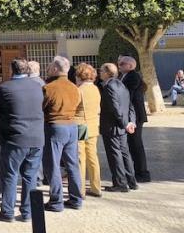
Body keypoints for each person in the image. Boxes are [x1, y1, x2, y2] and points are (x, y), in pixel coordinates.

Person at [0, 58, 45, 223]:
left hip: (14, 138)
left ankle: (8, 211)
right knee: (30, 176)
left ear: (11, 70)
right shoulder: (38, 86)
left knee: (10, 174)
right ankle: (28, 212)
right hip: (36, 137)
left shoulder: (5, 88)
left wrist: (1, 130)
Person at [42, 56, 84, 212]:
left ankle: (56, 201)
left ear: (55, 69)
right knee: (72, 164)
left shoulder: (49, 88)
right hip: (72, 127)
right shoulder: (75, 88)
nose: (47, 69)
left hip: (55, 126)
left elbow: (42, 107)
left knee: (52, 165)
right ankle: (76, 199)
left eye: (50, 67)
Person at [99, 63, 138, 192]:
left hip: (113, 126)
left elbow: (115, 108)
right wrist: (131, 122)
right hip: (121, 126)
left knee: (115, 155)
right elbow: (130, 105)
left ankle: (120, 184)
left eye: (101, 71)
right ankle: (131, 181)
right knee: (124, 154)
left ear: (107, 73)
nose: (99, 73)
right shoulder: (121, 85)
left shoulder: (109, 86)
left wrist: (126, 123)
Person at [118, 56, 151, 182]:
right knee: (133, 144)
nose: (119, 65)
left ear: (130, 66)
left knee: (136, 145)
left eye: (122, 63)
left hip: (135, 116)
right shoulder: (124, 76)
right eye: (119, 63)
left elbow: (127, 96)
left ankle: (142, 173)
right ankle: (136, 171)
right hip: (132, 115)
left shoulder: (132, 77)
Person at [75, 63, 102, 198]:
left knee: (80, 158)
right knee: (92, 157)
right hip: (93, 124)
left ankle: (80, 190)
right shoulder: (96, 89)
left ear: (80, 76)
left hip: (81, 125)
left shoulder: (79, 90)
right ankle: (96, 187)